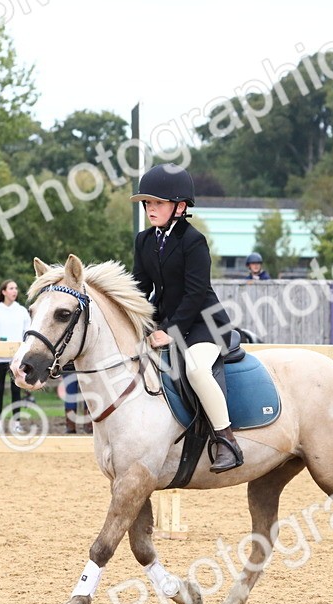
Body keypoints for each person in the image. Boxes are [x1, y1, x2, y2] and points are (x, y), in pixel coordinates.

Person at [131, 163, 243, 472]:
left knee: (195, 369)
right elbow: (142, 288)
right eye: (147, 203)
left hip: (204, 325)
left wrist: (170, 331)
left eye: (158, 203)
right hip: (167, 323)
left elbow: (195, 294)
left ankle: (226, 439)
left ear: (179, 206)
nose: (150, 209)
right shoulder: (144, 241)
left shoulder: (193, 242)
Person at [0, 278, 31, 434]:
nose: (14, 291)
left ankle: (16, 423)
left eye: (16, 288)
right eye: (11, 288)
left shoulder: (22, 311)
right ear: (3, 291)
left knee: (16, 390)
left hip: (17, 358)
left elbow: (28, 333)